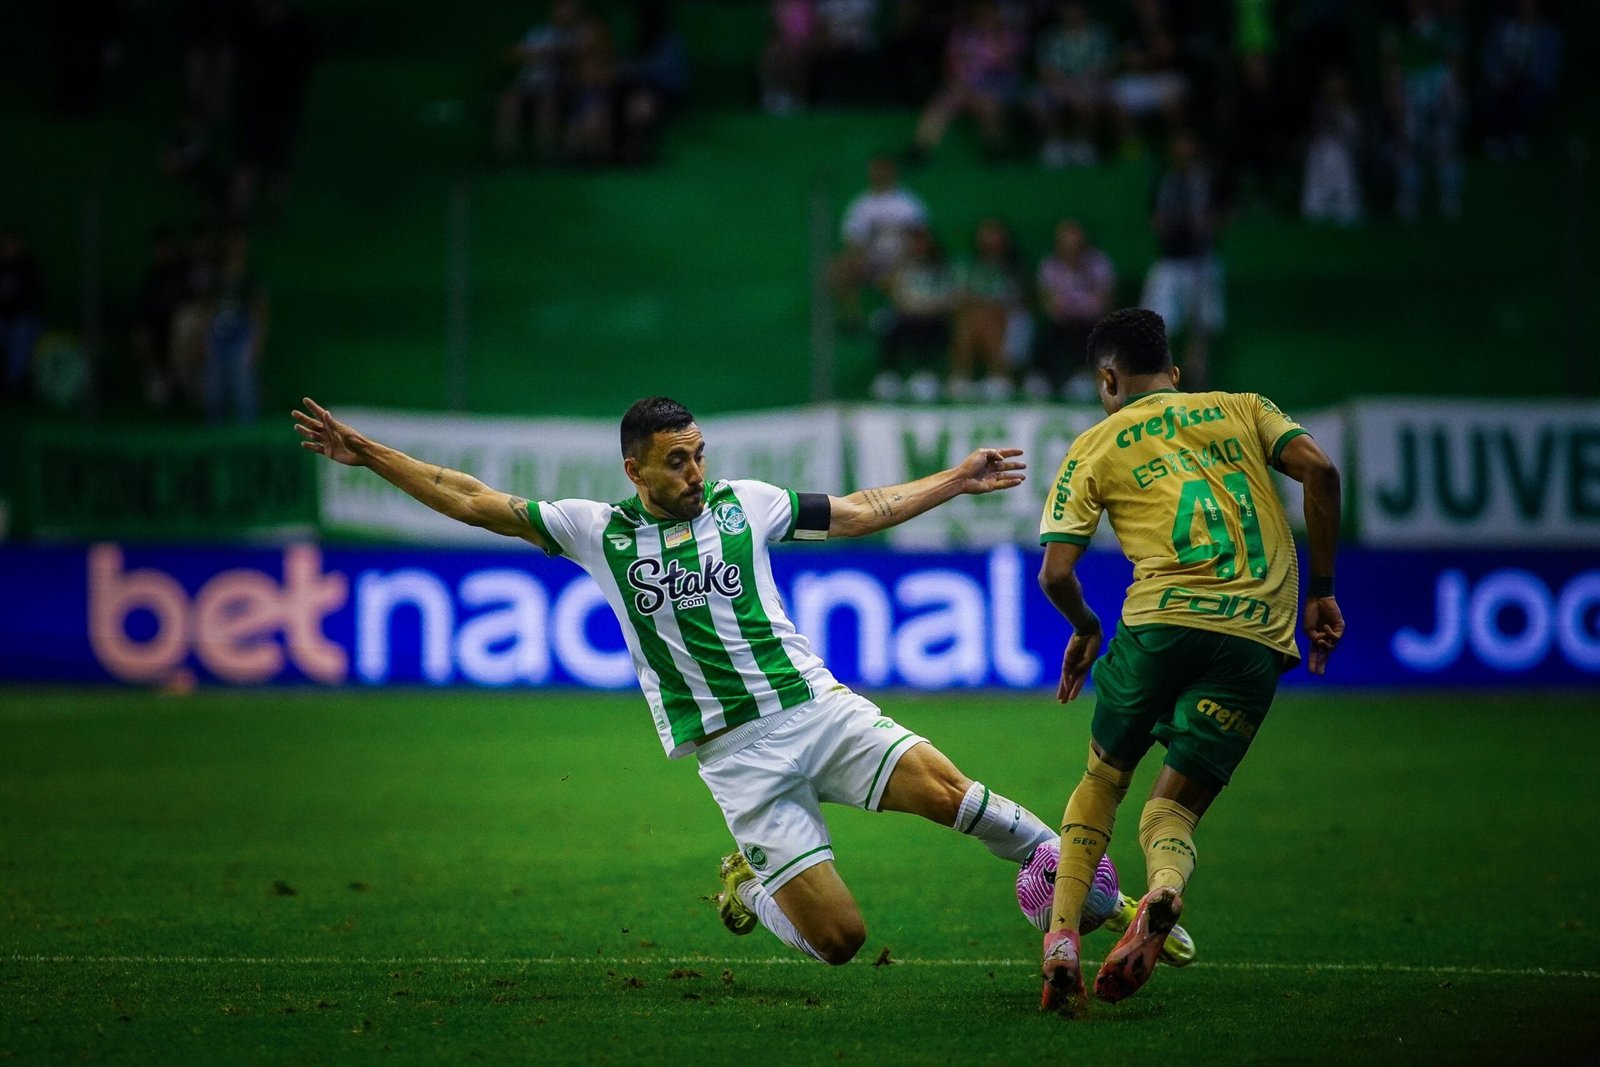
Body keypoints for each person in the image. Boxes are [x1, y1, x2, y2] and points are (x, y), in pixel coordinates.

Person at [291, 394, 1195, 966]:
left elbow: (861, 510)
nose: (695, 471)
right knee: (840, 943)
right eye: (675, 460)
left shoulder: (745, 504)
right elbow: (467, 495)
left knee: (957, 795)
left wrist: (955, 480)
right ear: (634, 468)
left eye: (699, 453)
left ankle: (1113, 902)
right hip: (735, 759)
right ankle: (752, 886)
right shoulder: (595, 530)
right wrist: (371, 454)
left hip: (818, 709)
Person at [1033, 307, 1343, 1015]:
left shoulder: (1095, 443)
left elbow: (1055, 573)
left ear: (1107, 379)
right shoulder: (1244, 407)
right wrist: (1322, 589)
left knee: (1102, 781)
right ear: (1173, 373)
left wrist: (1086, 627)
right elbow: (1321, 471)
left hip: (1161, 622)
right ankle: (1164, 890)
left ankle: (1061, 942)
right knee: (1171, 810)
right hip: (1257, 634)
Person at [1141, 130, 1231, 389]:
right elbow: (1154, 218)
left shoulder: (1210, 179)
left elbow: (1227, 212)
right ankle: (1162, 384)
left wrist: (1205, 223)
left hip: (1202, 261)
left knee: (1201, 328)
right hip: (1170, 262)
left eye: (1188, 143)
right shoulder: (1164, 179)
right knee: (1160, 325)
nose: (1184, 150)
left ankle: (1198, 381)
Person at [829, 156, 929, 329]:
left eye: (884, 169)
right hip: (871, 260)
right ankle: (852, 319)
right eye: (877, 169)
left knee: (901, 276)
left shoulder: (908, 203)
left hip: (903, 260)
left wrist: (904, 260)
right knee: (838, 268)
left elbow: (922, 237)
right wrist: (859, 258)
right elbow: (852, 238)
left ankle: (900, 318)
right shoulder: (862, 204)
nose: (880, 174)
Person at [1028, 219, 1115, 402]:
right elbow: (1047, 303)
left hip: (1090, 322)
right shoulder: (1050, 266)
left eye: (1076, 244)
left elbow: (1104, 301)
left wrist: (1078, 308)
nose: (1071, 248)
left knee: (1097, 334)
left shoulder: (1099, 264)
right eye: (1066, 243)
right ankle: (1042, 379)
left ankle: (1084, 378)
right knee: (1046, 332)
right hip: (1059, 323)